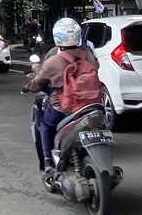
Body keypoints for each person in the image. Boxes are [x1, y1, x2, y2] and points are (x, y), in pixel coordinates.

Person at [21, 17, 101, 173]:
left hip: (65, 107)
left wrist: (27, 87)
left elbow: (38, 82)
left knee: (45, 125)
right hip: (92, 105)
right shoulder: (88, 55)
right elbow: (96, 68)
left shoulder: (54, 61)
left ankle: (48, 161)